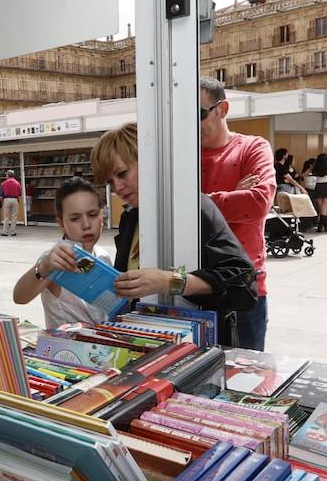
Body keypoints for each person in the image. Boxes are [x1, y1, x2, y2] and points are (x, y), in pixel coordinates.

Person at [91, 123, 257, 346]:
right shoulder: (130, 218)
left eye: (122, 174)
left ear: (149, 162)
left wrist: (170, 281)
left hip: (195, 349)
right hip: (143, 343)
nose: (118, 188)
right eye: (110, 182)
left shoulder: (196, 207)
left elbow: (243, 283)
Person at [197, 78, 276, 350]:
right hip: (193, 286)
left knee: (247, 380)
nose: (192, 125)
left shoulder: (252, 148)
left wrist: (198, 203)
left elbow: (258, 201)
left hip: (242, 288)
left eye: (199, 114)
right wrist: (232, 195)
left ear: (223, 109)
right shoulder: (182, 155)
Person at [12, 177, 114, 328]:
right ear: (61, 224)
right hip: (66, 349)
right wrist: (43, 268)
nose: (86, 225)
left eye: (92, 215)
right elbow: (20, 297)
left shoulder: (103, 256)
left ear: (102, 216)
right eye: (75, 218)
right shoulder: (56, 259)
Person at [0, 168, 23, 236]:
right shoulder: (17, 183)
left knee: (6, 216)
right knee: (14, 216)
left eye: (6, 174)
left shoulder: (4, 183)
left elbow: (1, 193)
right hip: (15, 199)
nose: (6, 176)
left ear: (8, 175)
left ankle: (5, 232)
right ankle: (13, 232)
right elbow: (20, 193)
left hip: (7, 199)